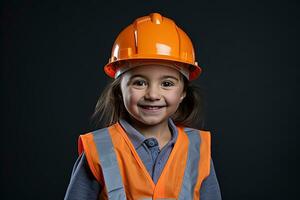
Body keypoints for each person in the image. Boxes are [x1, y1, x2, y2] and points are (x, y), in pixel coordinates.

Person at [64, 13, 222, 200]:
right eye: (139, 83)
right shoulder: (99, 150)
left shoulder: (197, 149)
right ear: (120, 90)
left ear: (183, 93)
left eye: (167, 84)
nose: (153, 95)